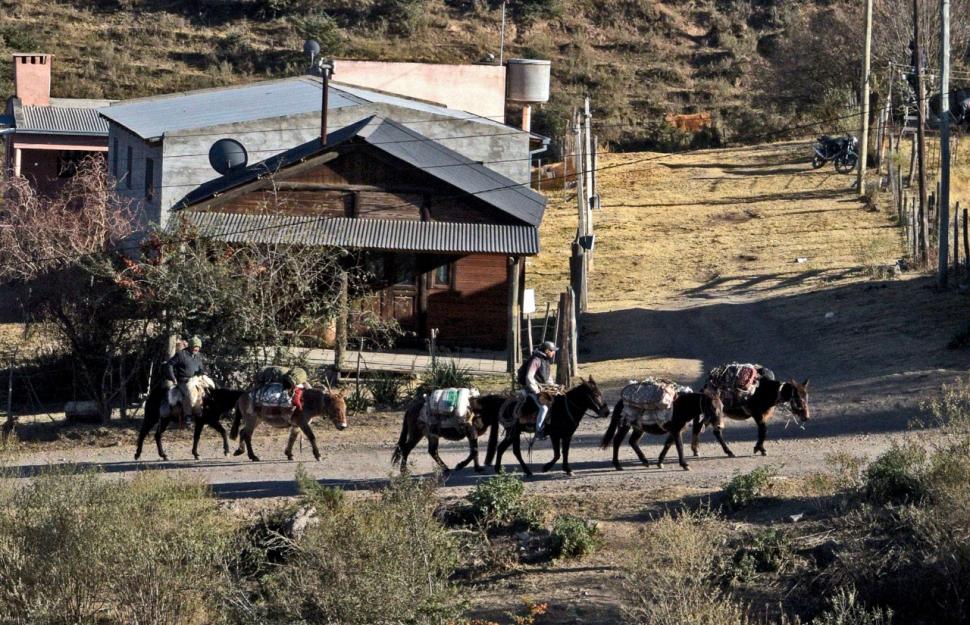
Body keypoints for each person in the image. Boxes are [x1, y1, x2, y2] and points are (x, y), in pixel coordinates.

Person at [517, 340, 557, 438]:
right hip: (531, 389)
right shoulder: (536, 360)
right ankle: (538, 431)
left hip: (542, 389)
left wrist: (554, 387)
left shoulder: (546, 361)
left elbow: (548, 378)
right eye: (552, 350)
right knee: (543, 408)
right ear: (547, 350)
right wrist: (537, 391)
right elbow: (529, 378)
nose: (554, 352)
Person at [165, 336, 206, 423]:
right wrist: (173, 378)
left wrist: (202, 373)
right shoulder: (181, 354)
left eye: (198, 347)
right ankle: (188, 416)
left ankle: (205, 412)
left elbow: (201, 368)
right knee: (189, 391)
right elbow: (169, 365)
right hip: (184, 381)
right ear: (190, 346)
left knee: (209, 390)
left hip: (196, 380)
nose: (197, 349)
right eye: (195, 347)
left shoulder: (198, 356)